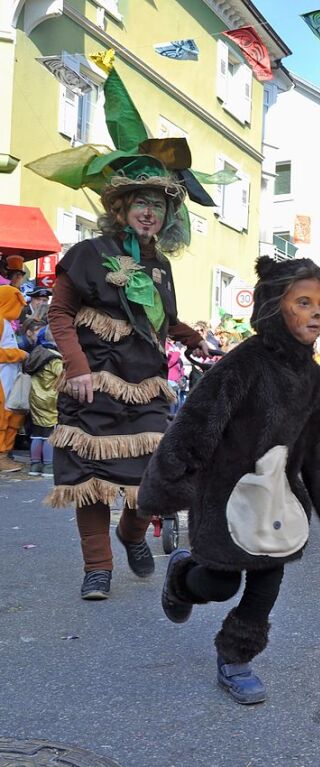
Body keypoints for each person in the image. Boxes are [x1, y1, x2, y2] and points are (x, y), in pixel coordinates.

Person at [27, 67, 219, 600]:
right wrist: (78, 370)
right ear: (120, 208)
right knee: (91, 479)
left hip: (147, 385)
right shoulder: (88, 255)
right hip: (93, 383)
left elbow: (163, 320)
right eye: (142, 203)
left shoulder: (160, 267)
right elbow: (59, 315)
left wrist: (193, 339)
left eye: (158, 205)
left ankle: (133, 533)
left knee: (151, 478)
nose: (150, 212)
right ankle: (97, 568)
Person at [139, 256, 320, 705]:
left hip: (277, 498)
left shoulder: (315, 379)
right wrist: (168, 487)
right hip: (224, 491)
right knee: (220, 584)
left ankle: (236, 658)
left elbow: (316, 446)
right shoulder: (244, 363)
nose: (316, 313)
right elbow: (197, 423)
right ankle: (181, 575)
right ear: (275, 306)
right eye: (303, 302)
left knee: (266, 581)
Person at [23, 330, 62, 477]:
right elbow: (63, 376)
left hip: (35, 398)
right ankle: (48, 465)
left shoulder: (37, 353)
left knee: (37, 433)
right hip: (50, 400)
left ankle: (35, 465)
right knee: (49, 434)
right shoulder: (55, 358)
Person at [0, 285, 28, 471]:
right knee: (2, 418)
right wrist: (19, 355)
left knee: (13, 416)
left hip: (10, 378)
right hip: (2, 380)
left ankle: (5, 454)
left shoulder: (7, 322)